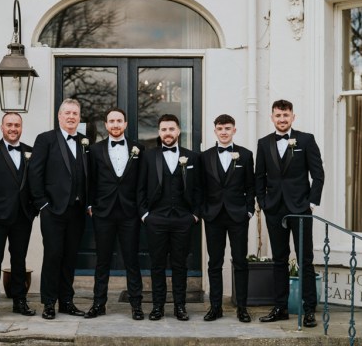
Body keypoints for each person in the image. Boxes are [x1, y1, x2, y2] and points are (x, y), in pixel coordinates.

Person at [255, 99, 324, 328]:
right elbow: (259, 177)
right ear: (272, 117)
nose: (282, 119)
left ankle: (309, 310)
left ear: (293, 116)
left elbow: (318, 174)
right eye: (278, 115)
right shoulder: (264, 143)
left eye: (286, 115)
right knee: (279, 260)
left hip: (300, 209)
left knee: (305, 259)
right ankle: (280, 308)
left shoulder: (306, 139)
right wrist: (264, 204)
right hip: (274, 209)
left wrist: (311, 204)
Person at [137, 114, 202, 321]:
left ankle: (180, 307)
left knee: (180, 265)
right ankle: (157, 306)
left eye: (171, 129)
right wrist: (145, 215)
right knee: (156, 265)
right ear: (159, 132)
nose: (167, 133)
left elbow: (200, 189)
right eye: (164, 129)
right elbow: (140, 188)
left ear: (178, 131)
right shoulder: (149, 156)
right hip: (156, 219)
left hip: (183, 219)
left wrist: (195, 215)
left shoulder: (192, 157)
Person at [29, 98, 89, 320]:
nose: (71, 116)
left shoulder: (85, 141)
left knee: (70, 257)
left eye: (75, 113)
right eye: (67, 113)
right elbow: (35, 173)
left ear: (79, 117)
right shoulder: (45, 140)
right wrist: (42, 204)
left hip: (77, 210)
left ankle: (66, 301)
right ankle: (48, 303)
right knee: (53, 255)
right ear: (59, 116)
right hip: (53, 210)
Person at [0, 112, 37, 321]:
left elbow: (35, 184)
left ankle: (20, 301)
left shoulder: (30, 151)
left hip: (22, 217)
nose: (13, 128)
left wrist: (33, 211)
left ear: (21, 128)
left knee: (19, 260)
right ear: (1, 127)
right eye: (9, 125)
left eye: (17, 125)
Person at [85, 107, 144, 320]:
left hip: (130, 213)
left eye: (120, 120)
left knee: (132, 261)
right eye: (112, 121)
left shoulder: (139, 149)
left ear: (126, 124)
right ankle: (98, 304)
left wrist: (141, 208)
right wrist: (90, 205)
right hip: (103, 212)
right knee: (102, 261)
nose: (116, 125)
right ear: (106, 125)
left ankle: (136, 305)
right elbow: (90, 179)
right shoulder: (95, 150)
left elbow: (143, 182)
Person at [201, 114, 254, 322]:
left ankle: (242, 307)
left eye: (228, 128)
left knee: (240, 262)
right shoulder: (204, 157)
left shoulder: (246, 155)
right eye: (220, 128)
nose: (224, 132)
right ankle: (216, 307)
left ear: (234, 130)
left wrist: (249, 210)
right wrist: (204, 211)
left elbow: (251, 186)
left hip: (238, 216)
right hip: (213, 216)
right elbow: (200, 188)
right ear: (215, 130)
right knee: (214, 263)